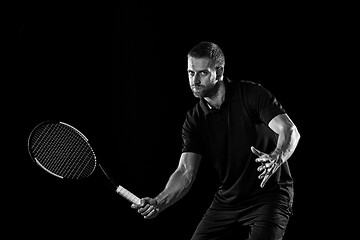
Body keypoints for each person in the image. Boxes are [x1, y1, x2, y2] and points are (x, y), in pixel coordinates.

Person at [131, 41, 300, 240]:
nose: (194, 80)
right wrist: (160, 201)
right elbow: (186, 172)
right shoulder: (195, 119)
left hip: (269, 197)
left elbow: (289, 130)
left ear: (218, 72)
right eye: (190, 73)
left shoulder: (251, 94)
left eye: (202, 73)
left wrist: (277, 156)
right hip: (228, 200)